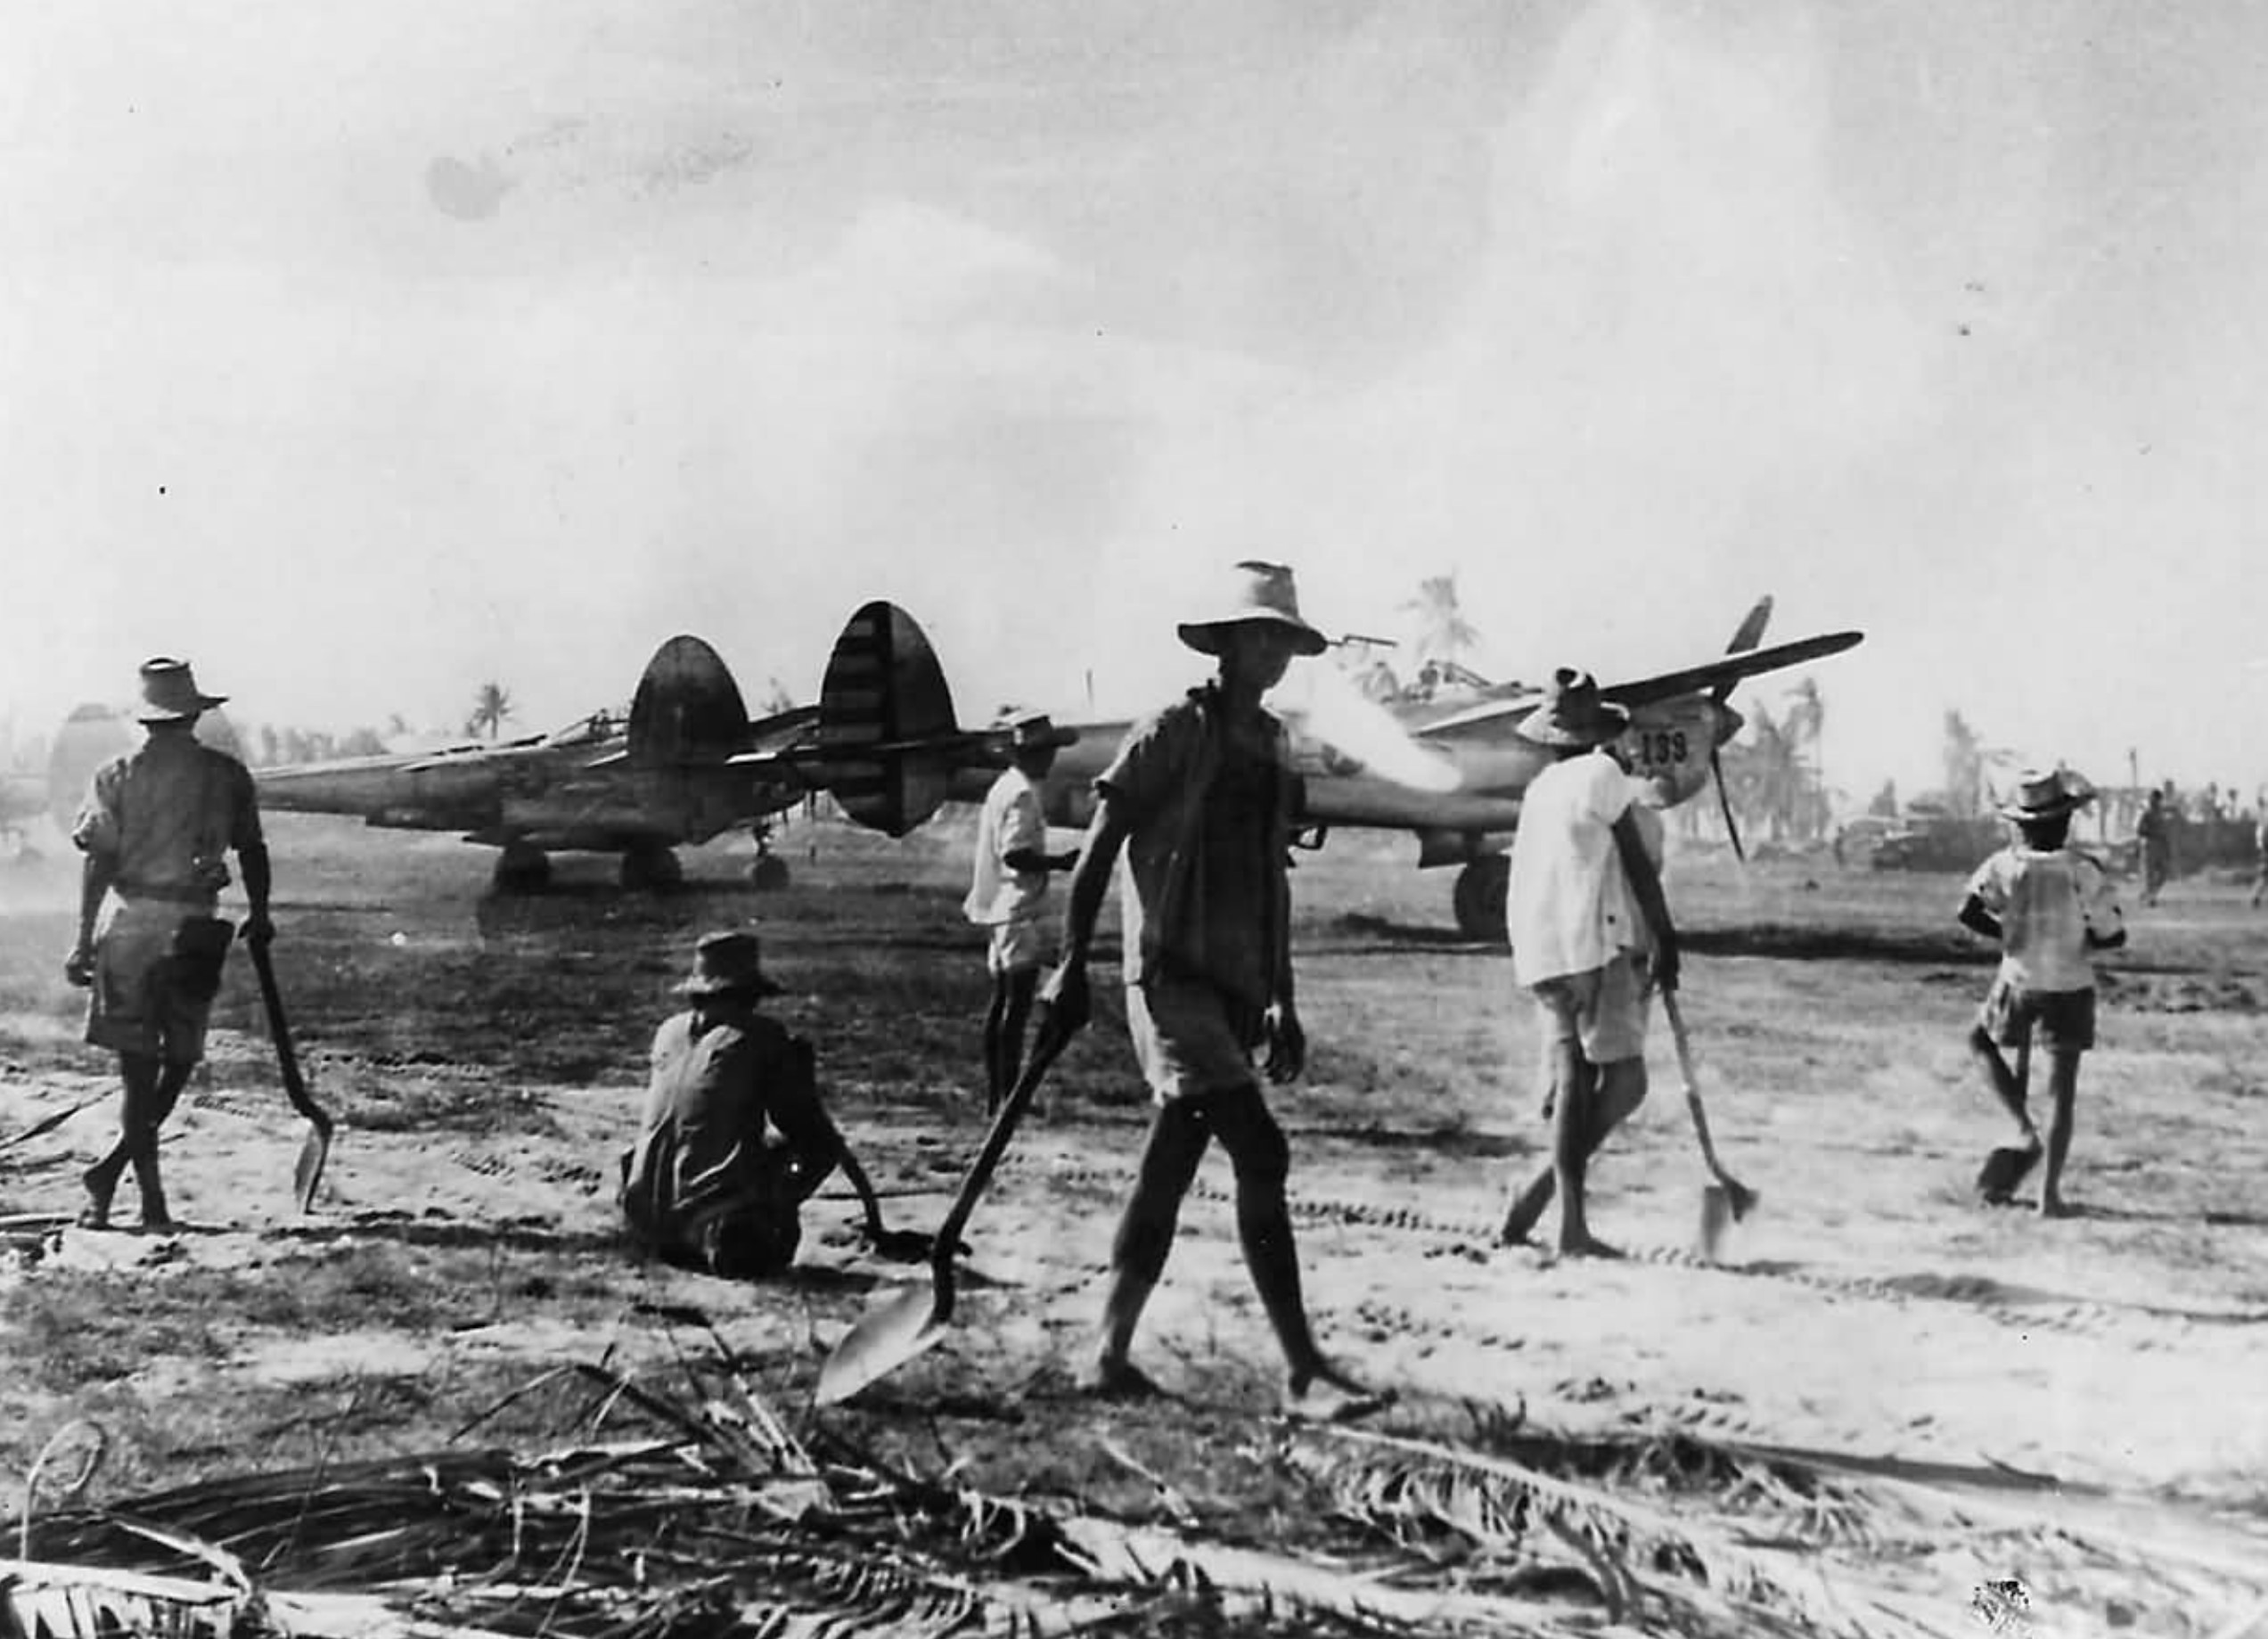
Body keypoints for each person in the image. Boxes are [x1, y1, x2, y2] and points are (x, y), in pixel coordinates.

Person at [1046, 560, 1385, 1421]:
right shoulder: (1171, 731)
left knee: (1170, 1162)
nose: (1271, 653)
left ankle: (1105, 1354)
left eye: (1282, 640)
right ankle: (1301, 1368)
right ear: (1226, 645)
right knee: (1261, 1153)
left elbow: (1272, 877)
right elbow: (1099, 846)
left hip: (1234, 985)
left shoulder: (1271, 744)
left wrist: (1282, 995)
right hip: (1170, 979)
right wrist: (1069, 962)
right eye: (1258, 637)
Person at [63, 659, 274, 1232]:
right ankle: (150, 1205)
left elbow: (98, 863)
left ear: (146, 718)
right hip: (190, 927)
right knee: (175, 1061)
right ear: (194, 715)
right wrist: (259, 912)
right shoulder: (209, 774)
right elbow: (253, 850)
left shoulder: (126, 775)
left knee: (151, 1070)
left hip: (138, 925)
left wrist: (83, 941)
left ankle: (111, 1175)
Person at [1494, 668, 1679, 1258]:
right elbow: (1637, 862)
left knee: (1575, 1073)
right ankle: (1557, 1211)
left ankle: (1545, 1203)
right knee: (1620, 1082)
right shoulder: (1602, 774)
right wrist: (1666, 936)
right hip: (1590, 943)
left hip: (1541, 945)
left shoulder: (1541, 787)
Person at [619, 930, 908, 1277]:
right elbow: (812, 1135)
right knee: (802, 1151)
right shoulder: (761, 1038)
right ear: (750, 993)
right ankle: (748, 1228)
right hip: (716, 1226)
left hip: (644, 1221)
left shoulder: (668, 1032)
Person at [1958, 769, 2125, 1218]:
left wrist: (2010, 933)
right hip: (2070, 984)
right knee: (2060, 1092)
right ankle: (2048, 1197)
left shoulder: (2003, 865)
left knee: (1979, 1040)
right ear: (2065, 822)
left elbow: (1967, 911)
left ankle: (2021, 1128)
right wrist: (2084, 938)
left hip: (2019, 978)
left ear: (2021, 825)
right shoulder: (2082, 869)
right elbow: (2112, 933)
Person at [964, 710, 1080, 1115]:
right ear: (1028, 755)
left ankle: (996, 1095)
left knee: (1002, 1004)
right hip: (1017, 908)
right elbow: (1014, 854)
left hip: (998, 908)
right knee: (1016, 1007)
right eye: (1044, 752)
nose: (1050, 759)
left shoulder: (1003, 787)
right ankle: (1008, 1097)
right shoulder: (1023, 795)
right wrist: (1060, 862)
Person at [2134, 786, 2173, 906]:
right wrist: (2151, 833)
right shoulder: (2147, 813)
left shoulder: (2162, 813)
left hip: (2161, 845)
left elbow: (2165, 831)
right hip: (2150, 844)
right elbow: (2140, 830)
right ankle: (2151, 898)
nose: (2152, 801)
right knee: (2149, 874)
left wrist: (2167, 847)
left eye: (2155, 798)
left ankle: (2149, 894)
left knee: (2164, 873)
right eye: (2151, 798)